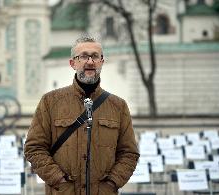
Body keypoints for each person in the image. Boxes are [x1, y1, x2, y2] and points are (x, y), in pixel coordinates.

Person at [24, 36, 140, 195]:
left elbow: (129, 153)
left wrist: (112, 184)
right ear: (73, 63)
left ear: (102, 62)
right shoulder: (50, 102)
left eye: (95, 56)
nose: (90, 62)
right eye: (84, 56)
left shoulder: (118, 106)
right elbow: (34, 148)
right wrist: (59, 181)